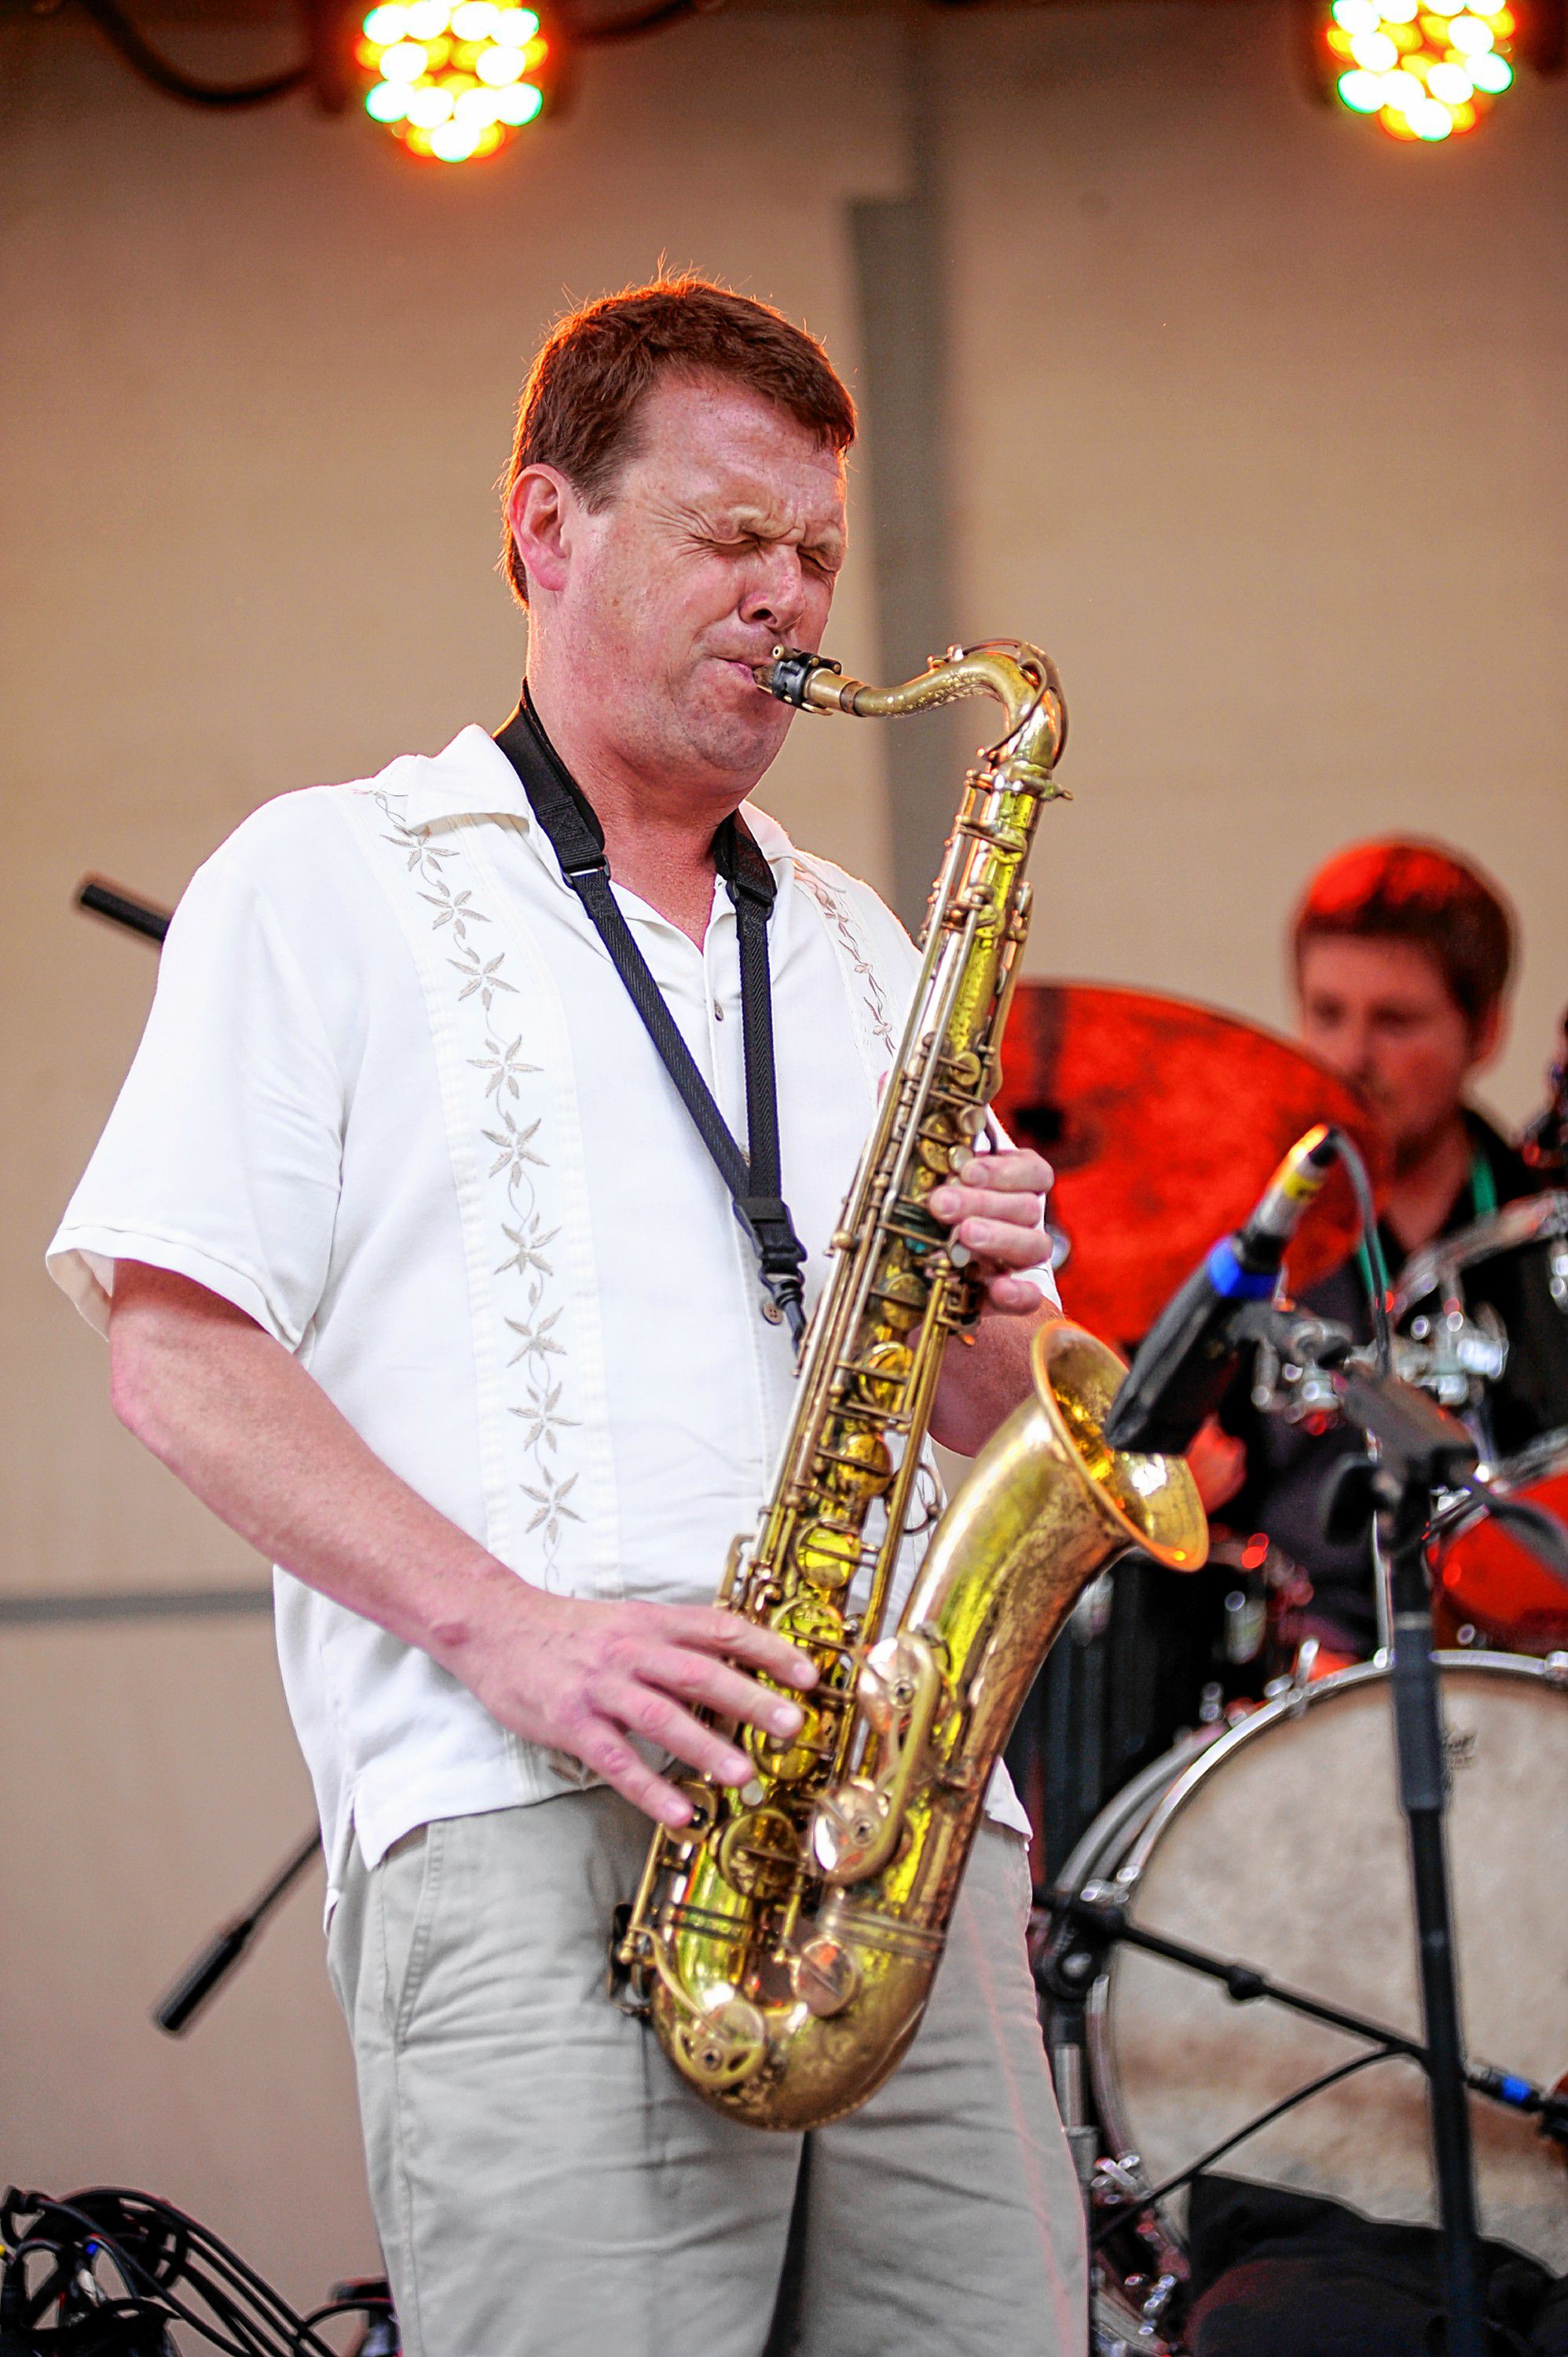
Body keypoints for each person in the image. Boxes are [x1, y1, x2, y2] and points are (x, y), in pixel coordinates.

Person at [49, 280, 1086, 2357]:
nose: (784, 601)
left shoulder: (871, 940)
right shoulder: (328, 877)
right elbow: (174, 1348)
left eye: (808, 552)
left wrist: (1005, 1290)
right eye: (727, 540)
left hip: (903, 1849)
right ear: (545, 531)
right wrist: (516, 1632)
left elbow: (1000, 1403)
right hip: (533, 1815)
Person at [1201, 835, 1545, 1664]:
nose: (1351, 1057)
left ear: (1484, 1029)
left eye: (1395, 1020)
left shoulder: (1544, 1235)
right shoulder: (1236, 1241)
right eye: (1326, 1013)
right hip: (1289, 1698)